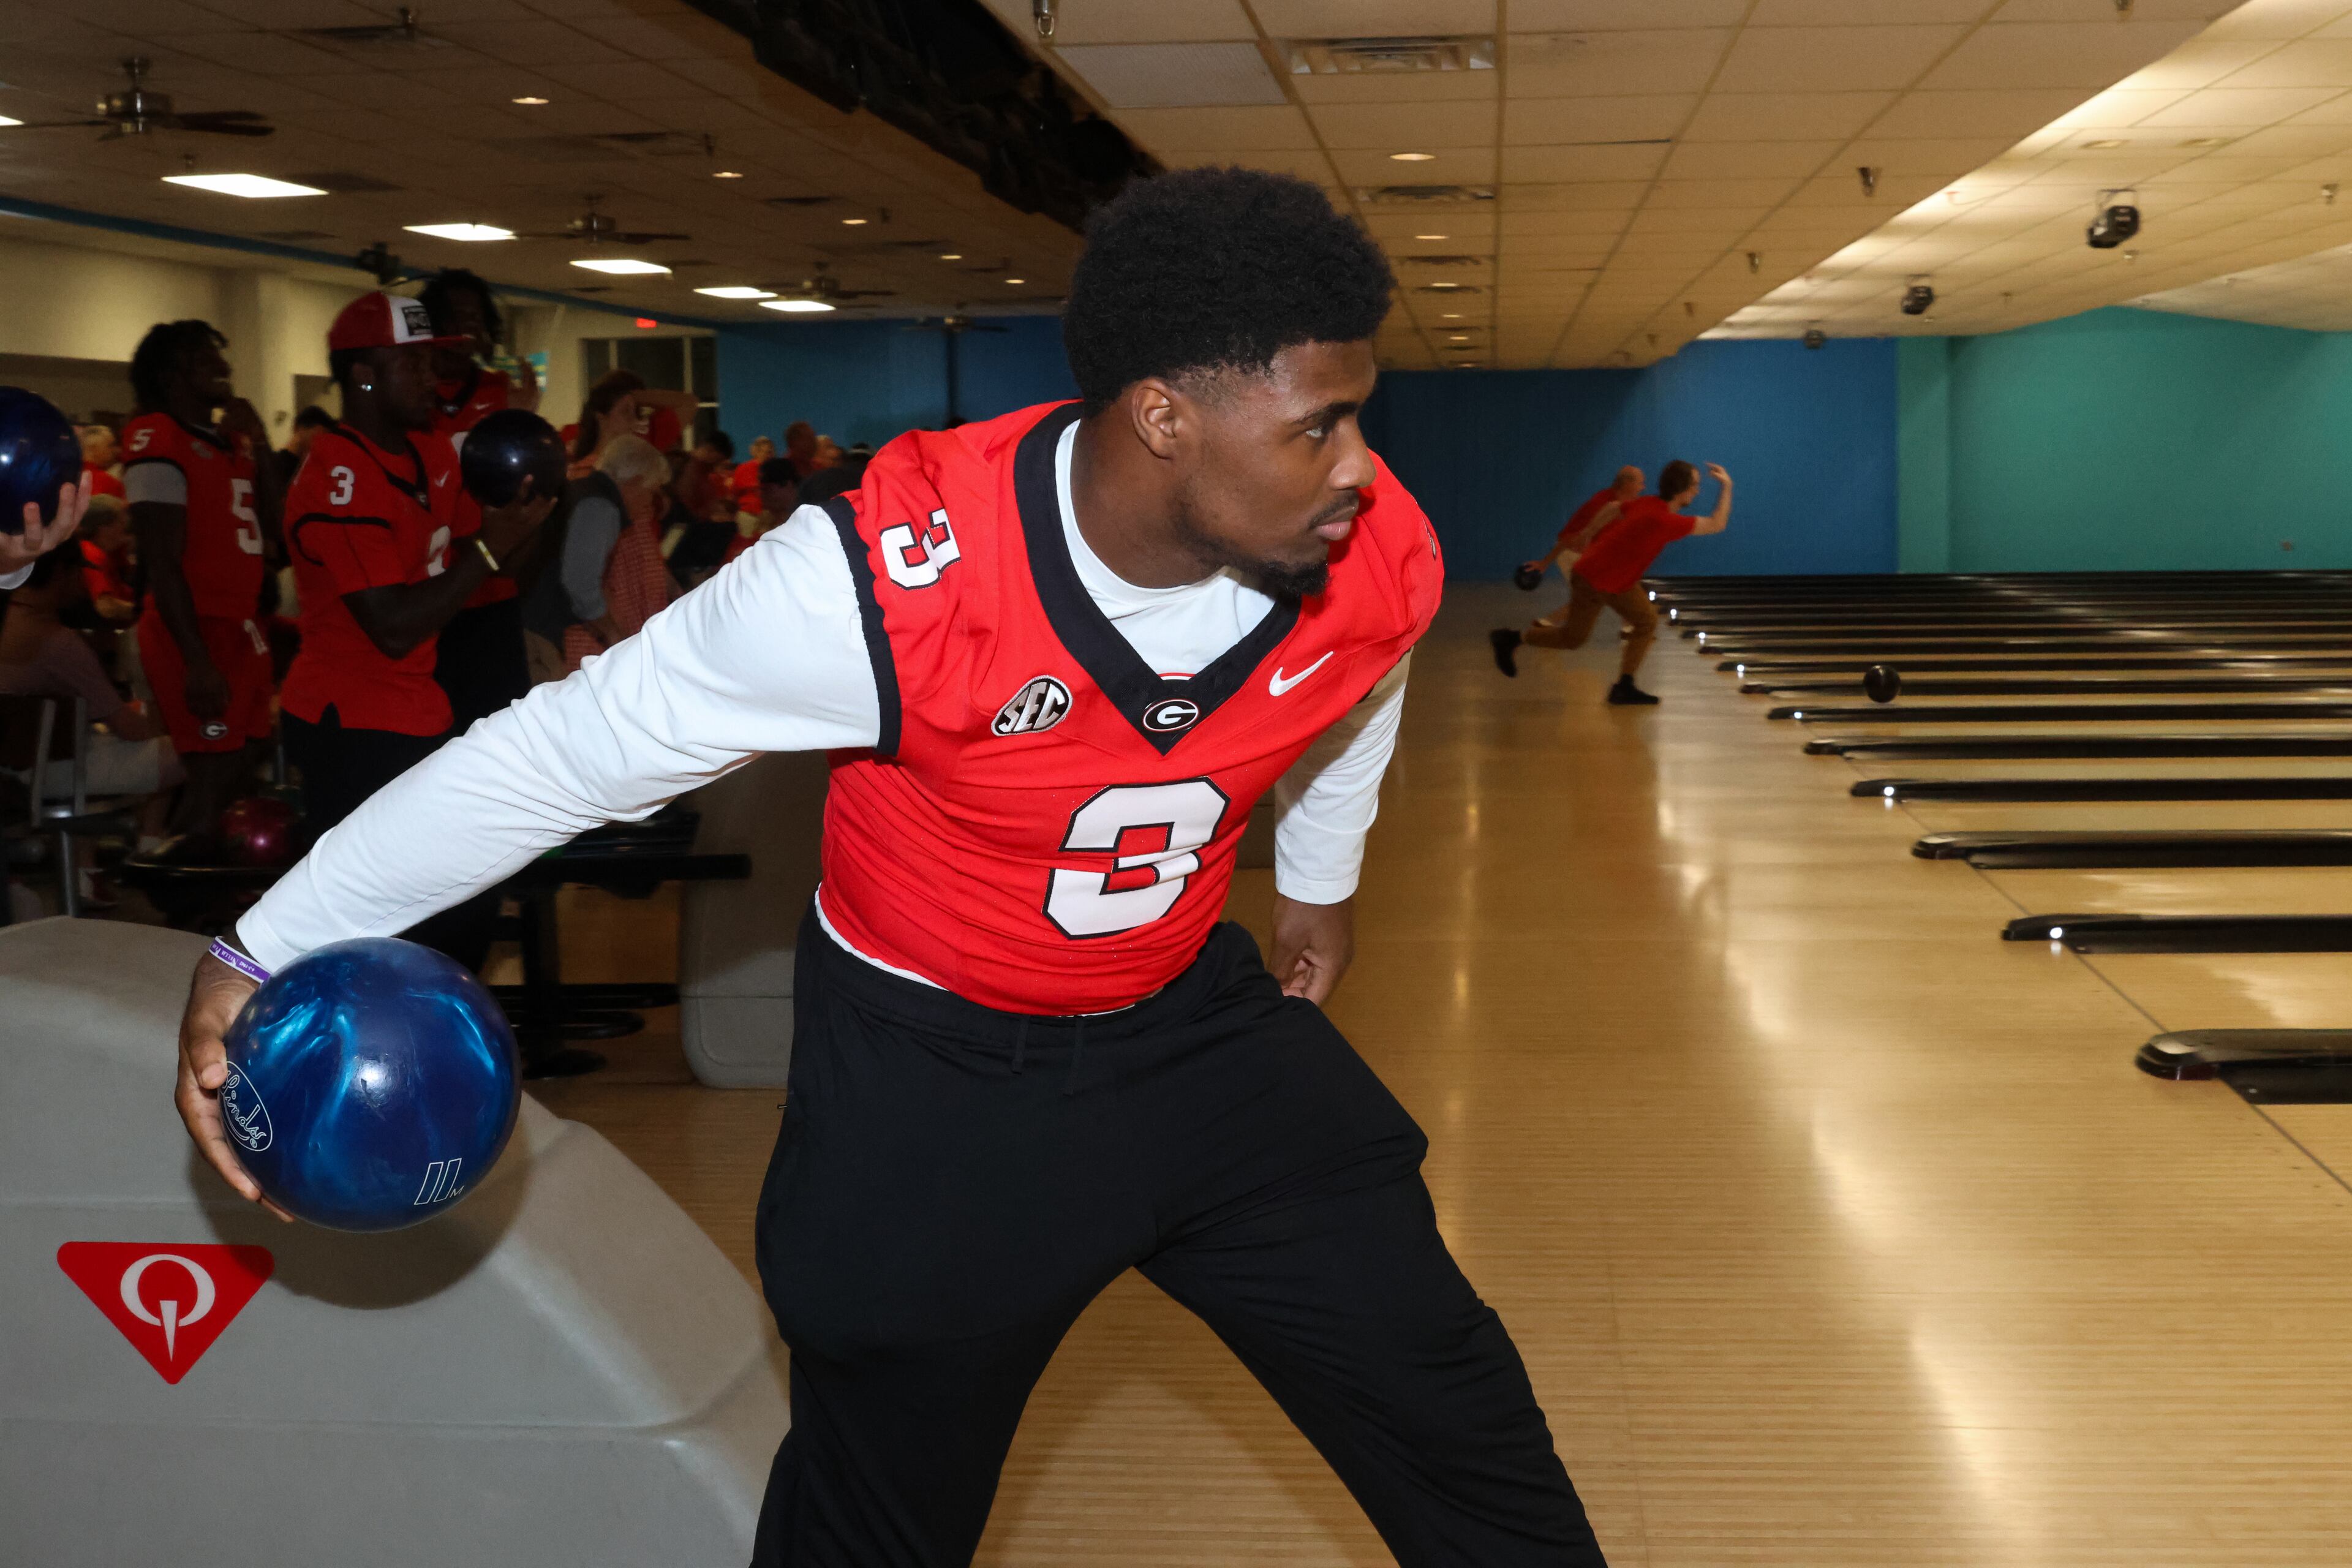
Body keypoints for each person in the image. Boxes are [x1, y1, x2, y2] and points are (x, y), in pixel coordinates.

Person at [173, 167, 1604, 1567]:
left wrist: (1322, 871)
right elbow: (561, 751)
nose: (1360, 467)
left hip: (1192, 1029)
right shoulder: (878, 582)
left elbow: (1361, 673)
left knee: (1456, 1414)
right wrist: (260, 942)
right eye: (1319, 426)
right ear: (1164, 415)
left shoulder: (1370, 547)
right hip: (937, 1084)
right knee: (875, 1516)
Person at [276, 290, 549, 851]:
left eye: (432, 360)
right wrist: (493, 550)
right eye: (413, 363)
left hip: (417, 702)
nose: (433, 377)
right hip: (350, 718)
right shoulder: (339, 475)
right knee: (369, 905)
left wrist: (531, 508)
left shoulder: (432, 453)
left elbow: (497, 565)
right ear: (365, 378)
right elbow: (393, 627)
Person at [123, 318, 285, 837]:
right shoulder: (158, 439)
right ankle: (176, 898)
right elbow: (162, 559)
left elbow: (280, 528)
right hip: (196, 628)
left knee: (256, 749)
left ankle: (199, 882)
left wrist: (260, 443)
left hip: (242, 625)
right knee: (213, 775)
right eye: (205, 359)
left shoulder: (229, 441)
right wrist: (195, 657)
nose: (223, 367)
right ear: (172, 375)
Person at [1490, 459, 1733, 704]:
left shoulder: (1650, 504)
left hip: (1603, 577)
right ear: (1683, 489)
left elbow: (1614, 507)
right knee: (1620, 628)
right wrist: (1727, 486)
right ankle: (1622, 686)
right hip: (1598, 580)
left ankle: (1512, 639)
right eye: (1696, 485)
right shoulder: (1665, 521)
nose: (1698, 490)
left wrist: (1588, 533)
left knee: (1611, 630)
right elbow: (1718, 524)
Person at [420, 270, 538, 735]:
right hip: (427, 590)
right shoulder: (412, 396)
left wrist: (525, 420)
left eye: (475, 316)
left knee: (498, 730)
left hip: (491, 592)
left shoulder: (499, 393)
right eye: (455, 315)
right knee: (432, 735)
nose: (466, 325)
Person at [0, 548, 181, 848]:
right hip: (45, 770)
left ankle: (92, 869)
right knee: (194, 751)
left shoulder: (10, 624)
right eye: (79, 572)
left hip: (16, 766)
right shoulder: (59, 644)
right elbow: (130, 730)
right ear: (60, 573)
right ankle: (153, 845)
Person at [557, 435, 674, 674]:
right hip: (548, 629)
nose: (649, 503)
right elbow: (581, 583)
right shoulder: (601, 507)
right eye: (651, 492)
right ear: (636, 481)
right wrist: (614, 637)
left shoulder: (583, 491)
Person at [1519, 465, 1641, 589]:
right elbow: (1570, 538)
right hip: (1572, 555)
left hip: (1587, 557)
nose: (1643, 487)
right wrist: (1544, 563)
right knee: (1590, 600)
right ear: (1628, 484)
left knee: (1590, 603)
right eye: (1640, 483)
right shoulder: (1601, 504)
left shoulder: (1622, 503)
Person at [731, 433, 775, 518]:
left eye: (770, 452)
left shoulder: (774, 470)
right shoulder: (744, 468)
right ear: (756, 451)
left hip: (769, 513)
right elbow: (735, 491)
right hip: (748, 513)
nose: (768, 455)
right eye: (765, 452)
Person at [80, 424, 124, 501]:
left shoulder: (61, 477)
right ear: (94, 449)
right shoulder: (108, 483)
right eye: (110, 446)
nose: (116, 451)